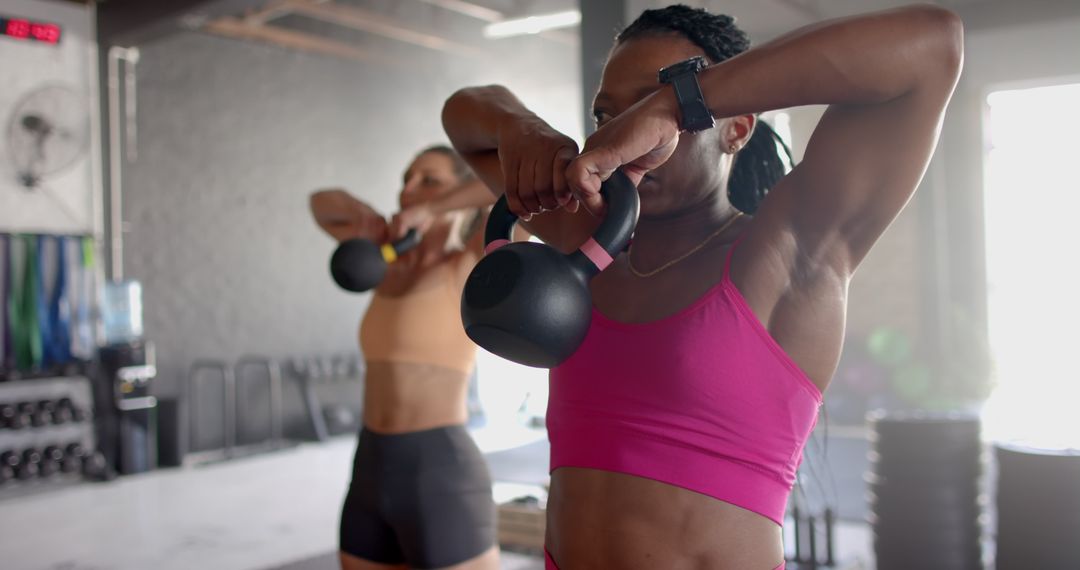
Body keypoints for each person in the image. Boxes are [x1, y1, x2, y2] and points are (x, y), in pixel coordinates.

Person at [442, 4, 963, 569]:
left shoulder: (789, 253)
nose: (624, 133)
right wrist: (525, 133)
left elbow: (932, 45)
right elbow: (464, 115)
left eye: (644, 108)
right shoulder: (587, 247)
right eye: (608, 115)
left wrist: (677, 103)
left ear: (737, 127)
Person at [310, 145, 503, 570]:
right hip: (370, 463)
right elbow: (321, 203)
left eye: (428, 179)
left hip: (438, 469)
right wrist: (371, 222)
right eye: (406, 180)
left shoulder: (471, 261)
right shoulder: (384, 266)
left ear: (460, 195)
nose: (408, 190)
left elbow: (507, 179)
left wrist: (430, 209)